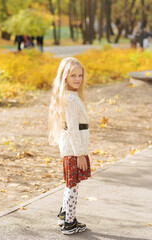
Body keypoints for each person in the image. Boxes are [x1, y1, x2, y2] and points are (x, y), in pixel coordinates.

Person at [48, 57, 91, 235]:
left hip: (71, 148)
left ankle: (64, 214)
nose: (77, 79)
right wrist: (80, 153)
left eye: (80, 75)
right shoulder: (71, 100)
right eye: (72, 75)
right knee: (73, 186)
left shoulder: (69, 96)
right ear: (64, 77)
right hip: (74, 150)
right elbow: (73, 129)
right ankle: (70, 223)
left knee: (69, 183)